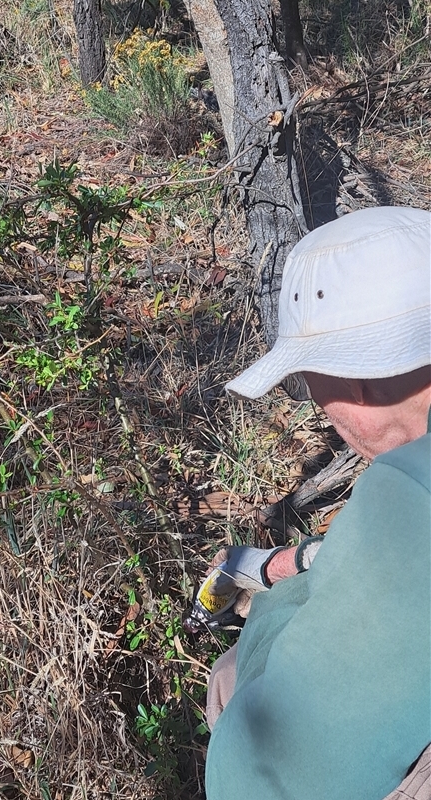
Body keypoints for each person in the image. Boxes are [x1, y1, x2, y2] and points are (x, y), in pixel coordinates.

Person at [203, 206, 431, 800]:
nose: (320, 411)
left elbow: (256, 780)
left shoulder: (411, 487)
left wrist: (251, 645)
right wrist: (290, 564)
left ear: (350, 379)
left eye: (311, 382)